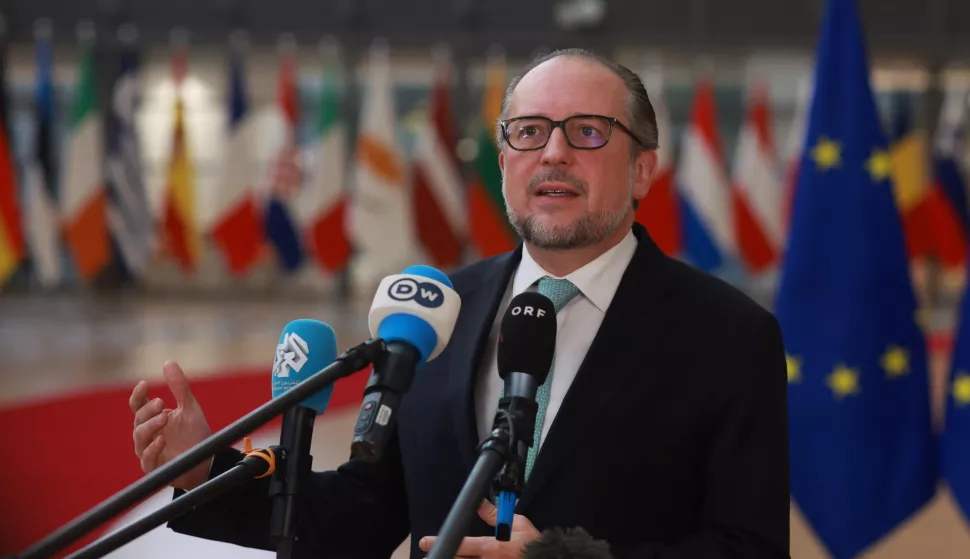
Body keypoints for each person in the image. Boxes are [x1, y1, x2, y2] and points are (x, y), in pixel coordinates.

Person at [130, 48, 790, 559]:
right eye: (529, 132)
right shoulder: (434, 311)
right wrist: (205, 472)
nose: (553, 152)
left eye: (588, 132)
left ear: (643, 169)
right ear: (504, 161)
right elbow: (363, 514)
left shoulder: (731, 337)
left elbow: (750, 548)